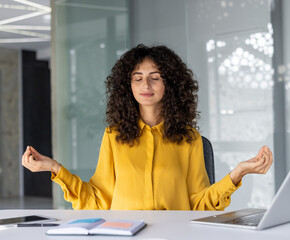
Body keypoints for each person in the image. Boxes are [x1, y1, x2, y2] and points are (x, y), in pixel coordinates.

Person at [22, 44, 273, 210]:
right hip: (124, 234)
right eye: (137, 78)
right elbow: (98, 200)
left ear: (171, 85)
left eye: (155, 77)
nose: (146, 85)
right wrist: (54, 168)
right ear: (127, 86)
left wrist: (238, 173)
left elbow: (199, 204)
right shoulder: (113, 137)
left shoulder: (190, 140)